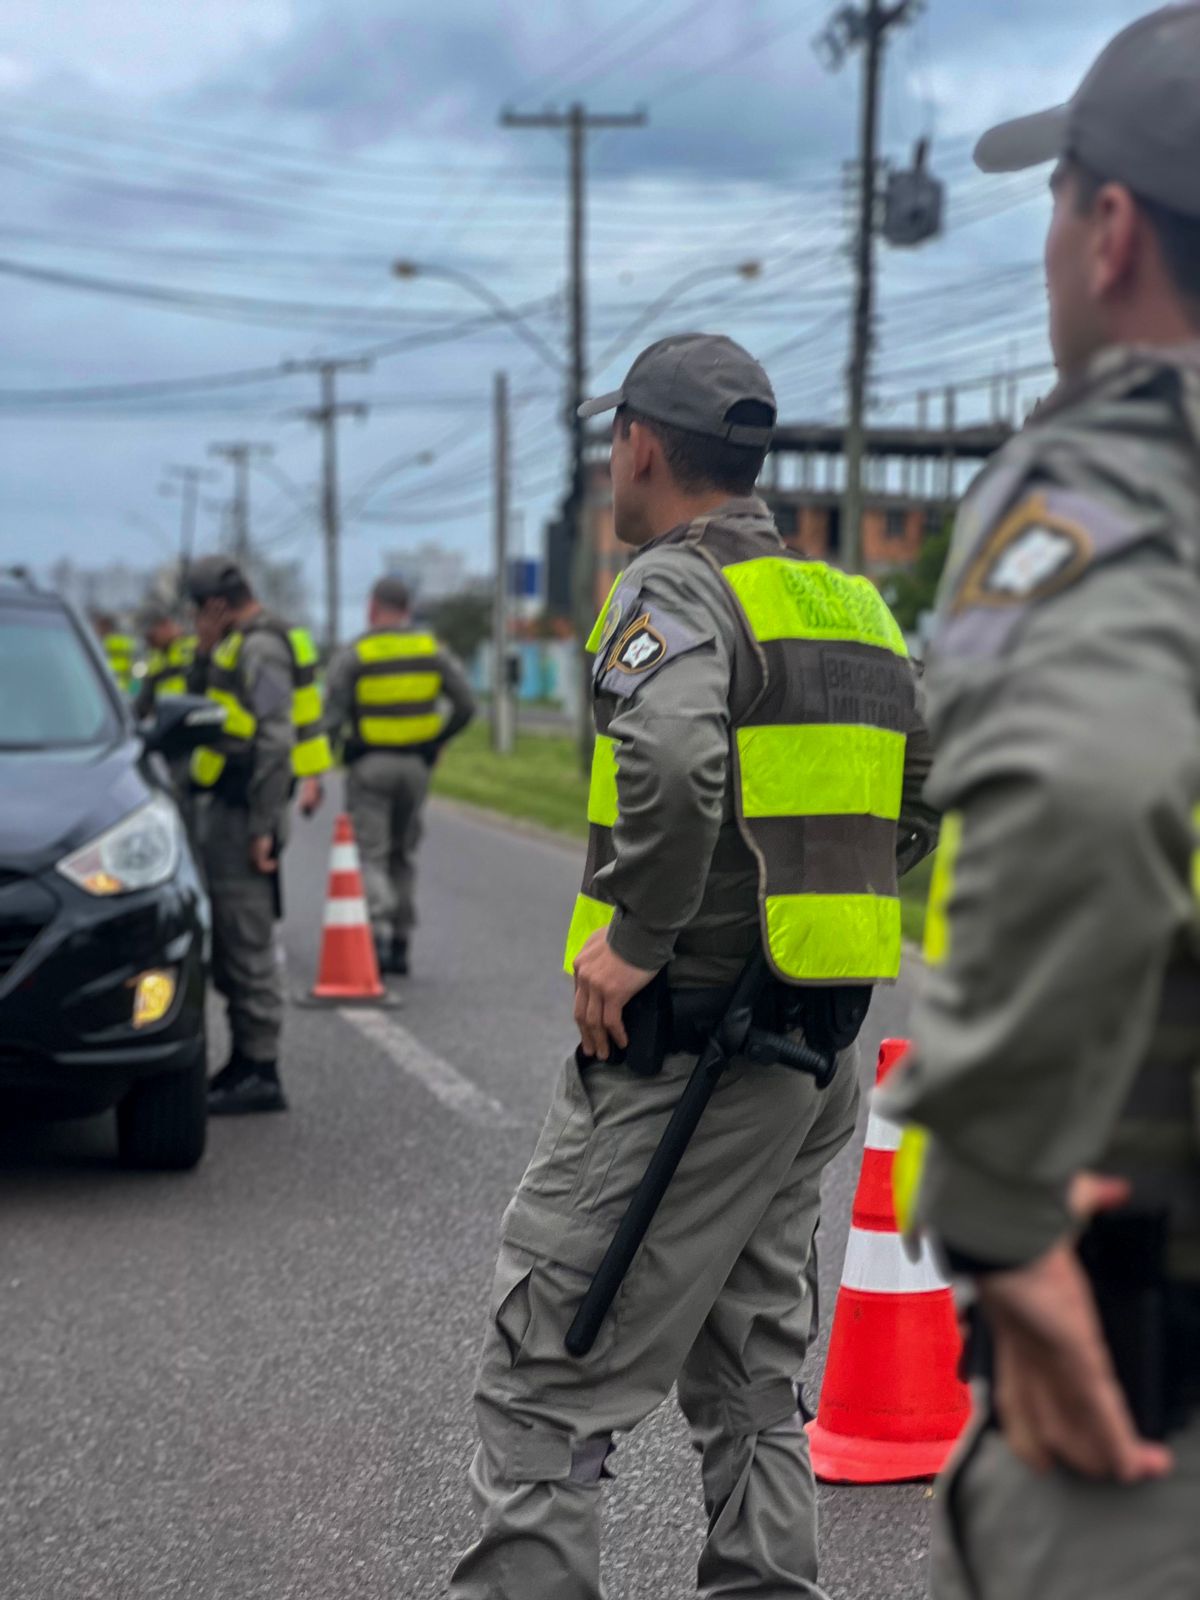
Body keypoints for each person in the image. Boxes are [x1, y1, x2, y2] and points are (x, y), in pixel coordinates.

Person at [449, 333, 936, 1600]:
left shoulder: (670, 593)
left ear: (644, 447)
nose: (614, 463)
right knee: (753, 1376)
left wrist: (641, 941)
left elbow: (668, 764)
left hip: (688, 1057)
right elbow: (926, 785)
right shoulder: (852, 604)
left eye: (616, 442)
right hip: (810, 1054)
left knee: (546, 1379)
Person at [875, 9, 1200, 1596]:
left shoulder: (1116, 480)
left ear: (1112, 229)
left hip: (1147, 1442)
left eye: (1058, 204)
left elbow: (1089, 779)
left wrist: (997, 1206)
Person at [185, 556, 333, 1115]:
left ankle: (260, 1067)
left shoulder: (261, 647)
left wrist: (264, 826)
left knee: (246, 939)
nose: (198, 621)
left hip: (245, 814)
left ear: (217, 605)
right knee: (227, 934)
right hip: (225, 811)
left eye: (200, 613)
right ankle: (244, 1062)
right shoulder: (232, 642)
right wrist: (202, 649)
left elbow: (275, 740)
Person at [321, 575, 475, 976]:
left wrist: (330, 756)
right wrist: (436, 741)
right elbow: (466, 703)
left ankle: (373, 931)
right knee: (402, 854)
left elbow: (331, 714)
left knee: (370, 853)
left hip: (370, 766)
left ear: (373, 608)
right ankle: (401, 943)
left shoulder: (358, 652)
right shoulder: (431, 649)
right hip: (415, 769)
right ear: (407, 608)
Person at [133, 605, 195, 719]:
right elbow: (145, 699)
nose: (148, 641)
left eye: (151, 636)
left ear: (165, 624)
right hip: (168, 724)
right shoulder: (154, 658)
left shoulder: (193, 647)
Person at [91, 611, 136, 695]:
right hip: (127, 693)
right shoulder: (128, 643)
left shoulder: (98, 644)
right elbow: (136, 675)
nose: (96, 629)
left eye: (99, 627)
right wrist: (135, 693)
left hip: (107, 695)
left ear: (106, 627)